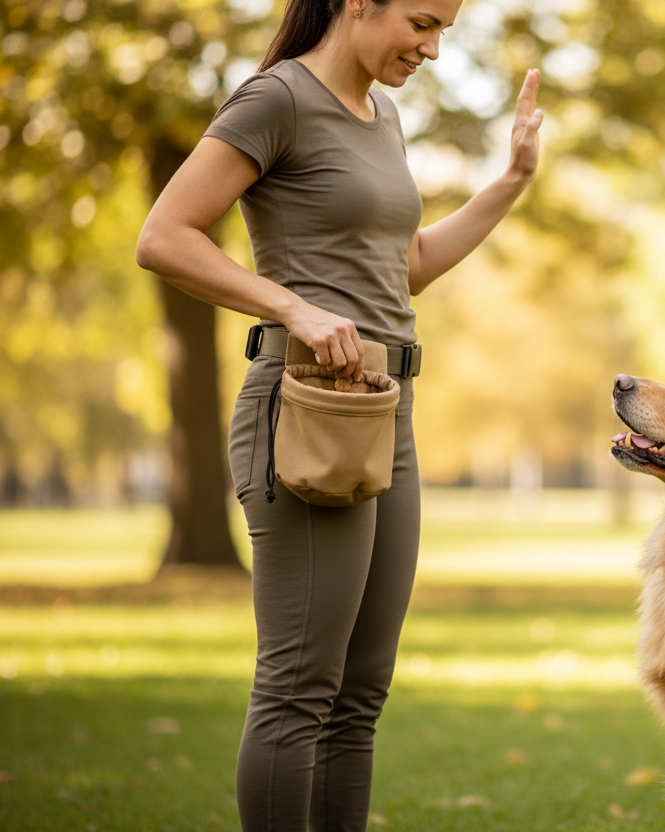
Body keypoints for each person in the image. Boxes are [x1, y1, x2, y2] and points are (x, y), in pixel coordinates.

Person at [135, 0, 542, 827]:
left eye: (445, 34)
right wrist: (292, 308)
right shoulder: (276, 99)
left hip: (389, 411)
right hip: (309, 411)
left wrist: (510, 183)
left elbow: (412, 264)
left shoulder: (381, 113)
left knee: (359, 696)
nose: (431, 49)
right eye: (422, 24)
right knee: (298, 691)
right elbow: (165, 236)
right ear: (359, 2)